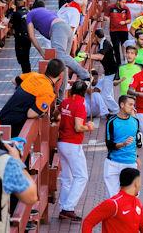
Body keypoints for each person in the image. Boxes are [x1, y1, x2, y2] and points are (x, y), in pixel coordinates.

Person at [25, 0, 90, 99]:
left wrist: (42, 52)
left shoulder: (30, 14)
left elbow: (31, 36)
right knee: (62, 63)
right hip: (66, 29)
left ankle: (84, 74)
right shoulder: (47, 11)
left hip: (57, 29)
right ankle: (60, 96)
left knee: (59, 56)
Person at [56, 81, 94, 221]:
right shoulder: (80, 105)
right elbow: (78, 127)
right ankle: (68, 207)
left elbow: (57, 116)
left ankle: (63, 207)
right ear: (84, 92)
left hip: (62, 142)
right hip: (72, 143)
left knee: (67, 177)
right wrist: (88, 126)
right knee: (81, 176)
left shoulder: (65, 101)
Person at [0, 59, 65, 137]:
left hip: (3, 115)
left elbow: (14, 80)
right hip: (14, 125)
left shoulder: (33, 75)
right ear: (61, 75)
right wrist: (42, 111)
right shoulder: (48, 92)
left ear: (47, 68)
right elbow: (31, 114)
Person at [82, 168, 143, 233]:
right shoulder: (113, 204)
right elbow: (88, 222)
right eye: (140, 181)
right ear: (136, 183)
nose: (140, 185)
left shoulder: (138, 203)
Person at [103, 95, 141, 198]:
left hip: (130, 163)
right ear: (122, 105)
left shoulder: (135, 121)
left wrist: (136, 157)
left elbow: (137, 142)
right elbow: (109, 145)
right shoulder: (111, 122)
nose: (133, 107)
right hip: (113, 163)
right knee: (112, 198)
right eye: (130, 104)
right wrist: (123, 144)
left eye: (134, 105)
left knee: (132, 197)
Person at [106, 0, 131, 65]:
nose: (124, 4)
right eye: (122, 2)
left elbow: (129, 20)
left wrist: (125, 22)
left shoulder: (126, 9)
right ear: (118, 1)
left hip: (124, 30)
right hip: (114, 31)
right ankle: (118, 64)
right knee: (116, 47)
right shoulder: (110, 7)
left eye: (124, 2)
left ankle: (126, 61)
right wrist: (106, 19)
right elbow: (105, 16)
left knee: (125, 46)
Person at [9, 0, 31, 73]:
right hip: (28, 37)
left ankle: (26, 75)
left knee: (21, 58)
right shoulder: (28, 11)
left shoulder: (16, 14)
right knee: (26, 57)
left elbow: (10, 24)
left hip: (20, 38)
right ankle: (27, 73)